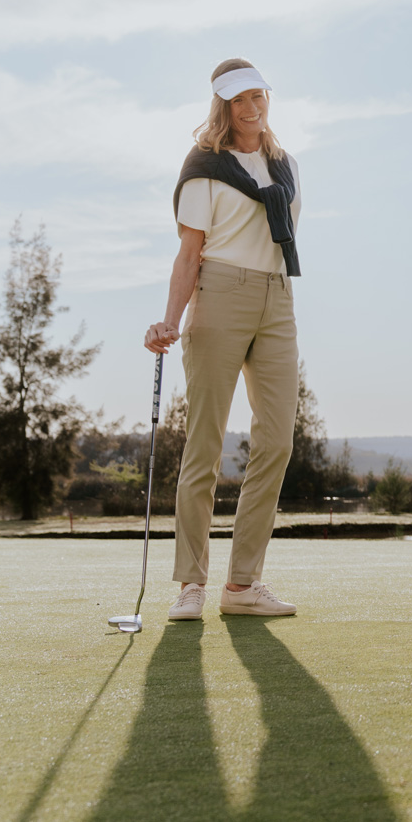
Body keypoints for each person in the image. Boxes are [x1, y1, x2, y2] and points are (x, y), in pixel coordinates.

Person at [144, 58, 303, 621]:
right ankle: (191, 584)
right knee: (205, 445)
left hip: (277, 298)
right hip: (219, 294)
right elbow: (190, 252)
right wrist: (169, 318)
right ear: (223, 106)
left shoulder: (285, 165)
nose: (251, 107)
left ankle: (242, 586)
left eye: (257, 95)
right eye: (239, 100)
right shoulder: (204, 166)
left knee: (278, 441)